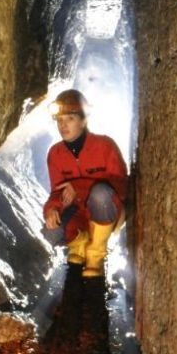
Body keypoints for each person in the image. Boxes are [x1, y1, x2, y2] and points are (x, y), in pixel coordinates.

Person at [43, 89, 127, 278]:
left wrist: (79, 187)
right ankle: (79, 243)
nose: (63, 125)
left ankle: (95, 256)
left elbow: (121, 186)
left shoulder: (105, 146)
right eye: (59, 120)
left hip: (108, 210)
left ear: (83, 120)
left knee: (100, 194)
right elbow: (56, 192)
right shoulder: (55, 154)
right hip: (80, 213)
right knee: (52, 234)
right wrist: (51, 210)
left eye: (70, 119)